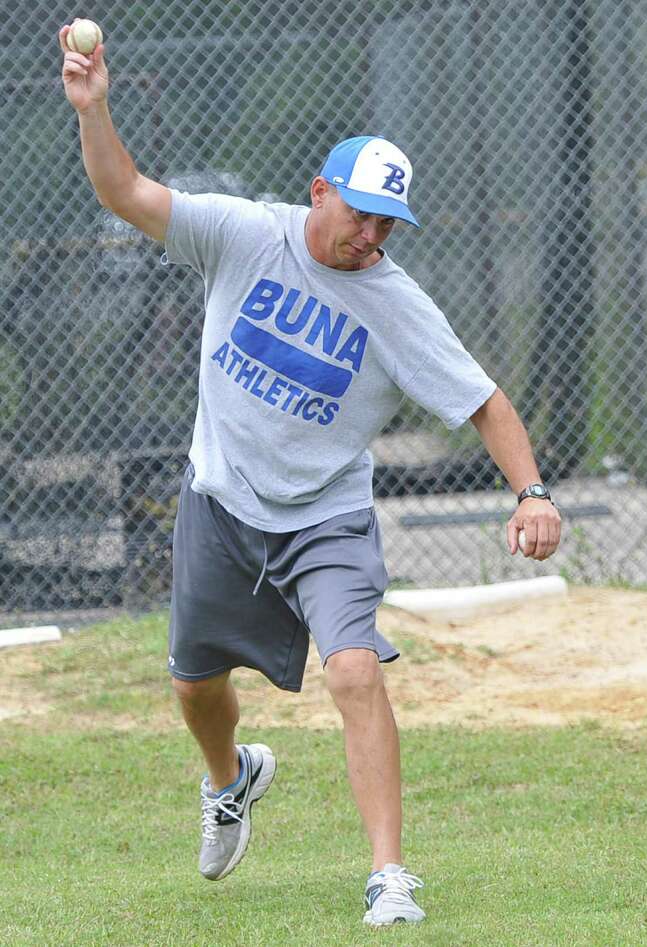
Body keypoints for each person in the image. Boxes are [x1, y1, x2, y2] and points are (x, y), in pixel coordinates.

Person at [60, 21, 562, 927]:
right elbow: (123, 190)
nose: (370, 235)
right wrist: (94, 110)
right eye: (359, 212)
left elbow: (487, 402)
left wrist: (531, 493)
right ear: (319, 191)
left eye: (387, 223)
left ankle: (390, 876)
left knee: (355, 670)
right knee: (192, 686)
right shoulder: (243, 235)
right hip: (218, 501)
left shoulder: (394, 301)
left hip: (324, 519)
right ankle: (232, 778)